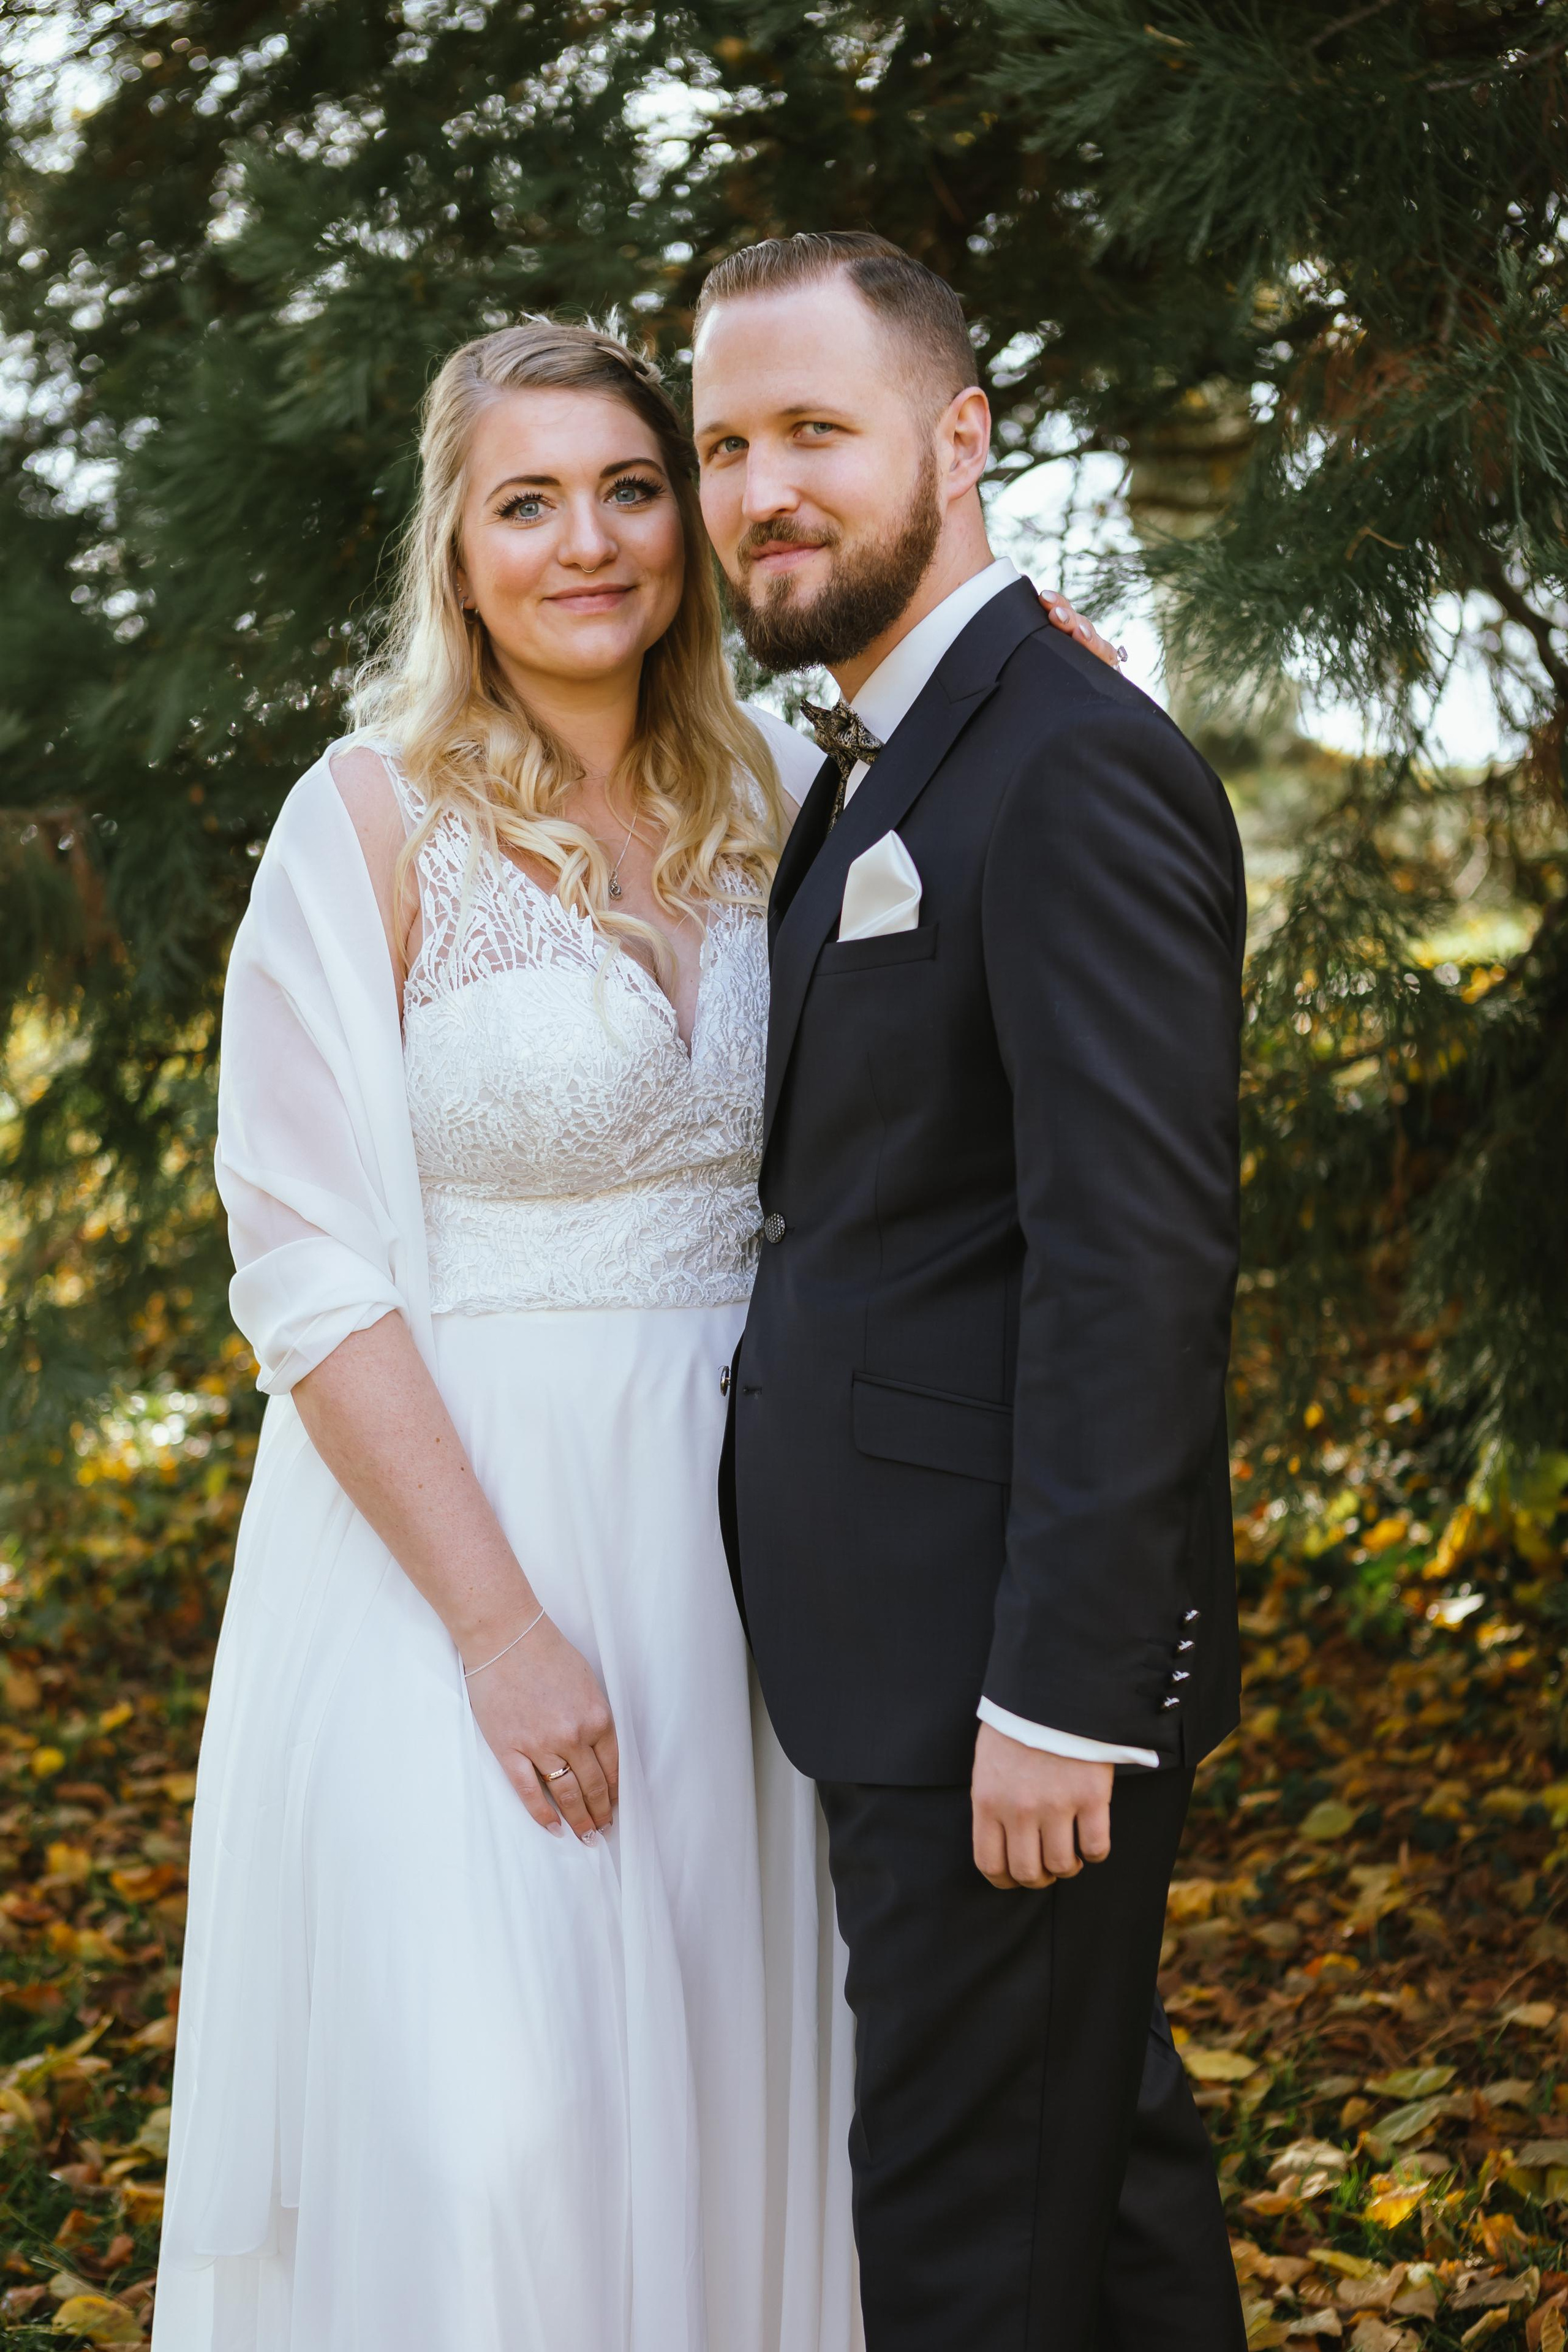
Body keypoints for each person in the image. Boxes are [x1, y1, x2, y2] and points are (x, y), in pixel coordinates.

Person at [153, 311, 1114, 2352]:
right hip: (452, 1545)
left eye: (628, 486)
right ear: (457, 548)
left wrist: (1077, 682)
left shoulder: (790, 791)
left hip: (759, 1553)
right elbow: (304, 1262)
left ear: (683, 520)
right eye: (527, 502)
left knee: (732, 2097)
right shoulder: (366, 824)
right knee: (490, 2136)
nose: (585, 541)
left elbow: (995, 958)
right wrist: (501, 1631)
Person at [698, 232, 1249, 2351]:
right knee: (1082, 2192)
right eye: (728, 442)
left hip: (998, 1685)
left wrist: (1062, 1697)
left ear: (959, 435)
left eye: (815, 431)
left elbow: (1138, 1253)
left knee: (958, 2251)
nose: (763, 493)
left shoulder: (1068, 757)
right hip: (912, 1647)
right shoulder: (890, 755)